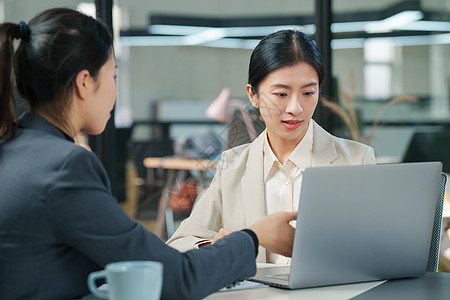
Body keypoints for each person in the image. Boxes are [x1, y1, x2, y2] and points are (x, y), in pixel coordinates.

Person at [0, 8, 297, 300]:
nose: (114, 93)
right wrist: (253, 237)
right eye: (113, 75)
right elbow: (176, 277)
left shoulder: (13, 148)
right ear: (84, 83)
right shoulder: (65, 167)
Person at [167, 29, 376, 264]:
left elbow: (374, 251)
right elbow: (179, 242)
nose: (295, 107)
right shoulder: (233, 164)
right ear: (253, 96)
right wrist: (217, 247)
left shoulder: (357, 160)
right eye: (281, 94)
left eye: (308, 92)